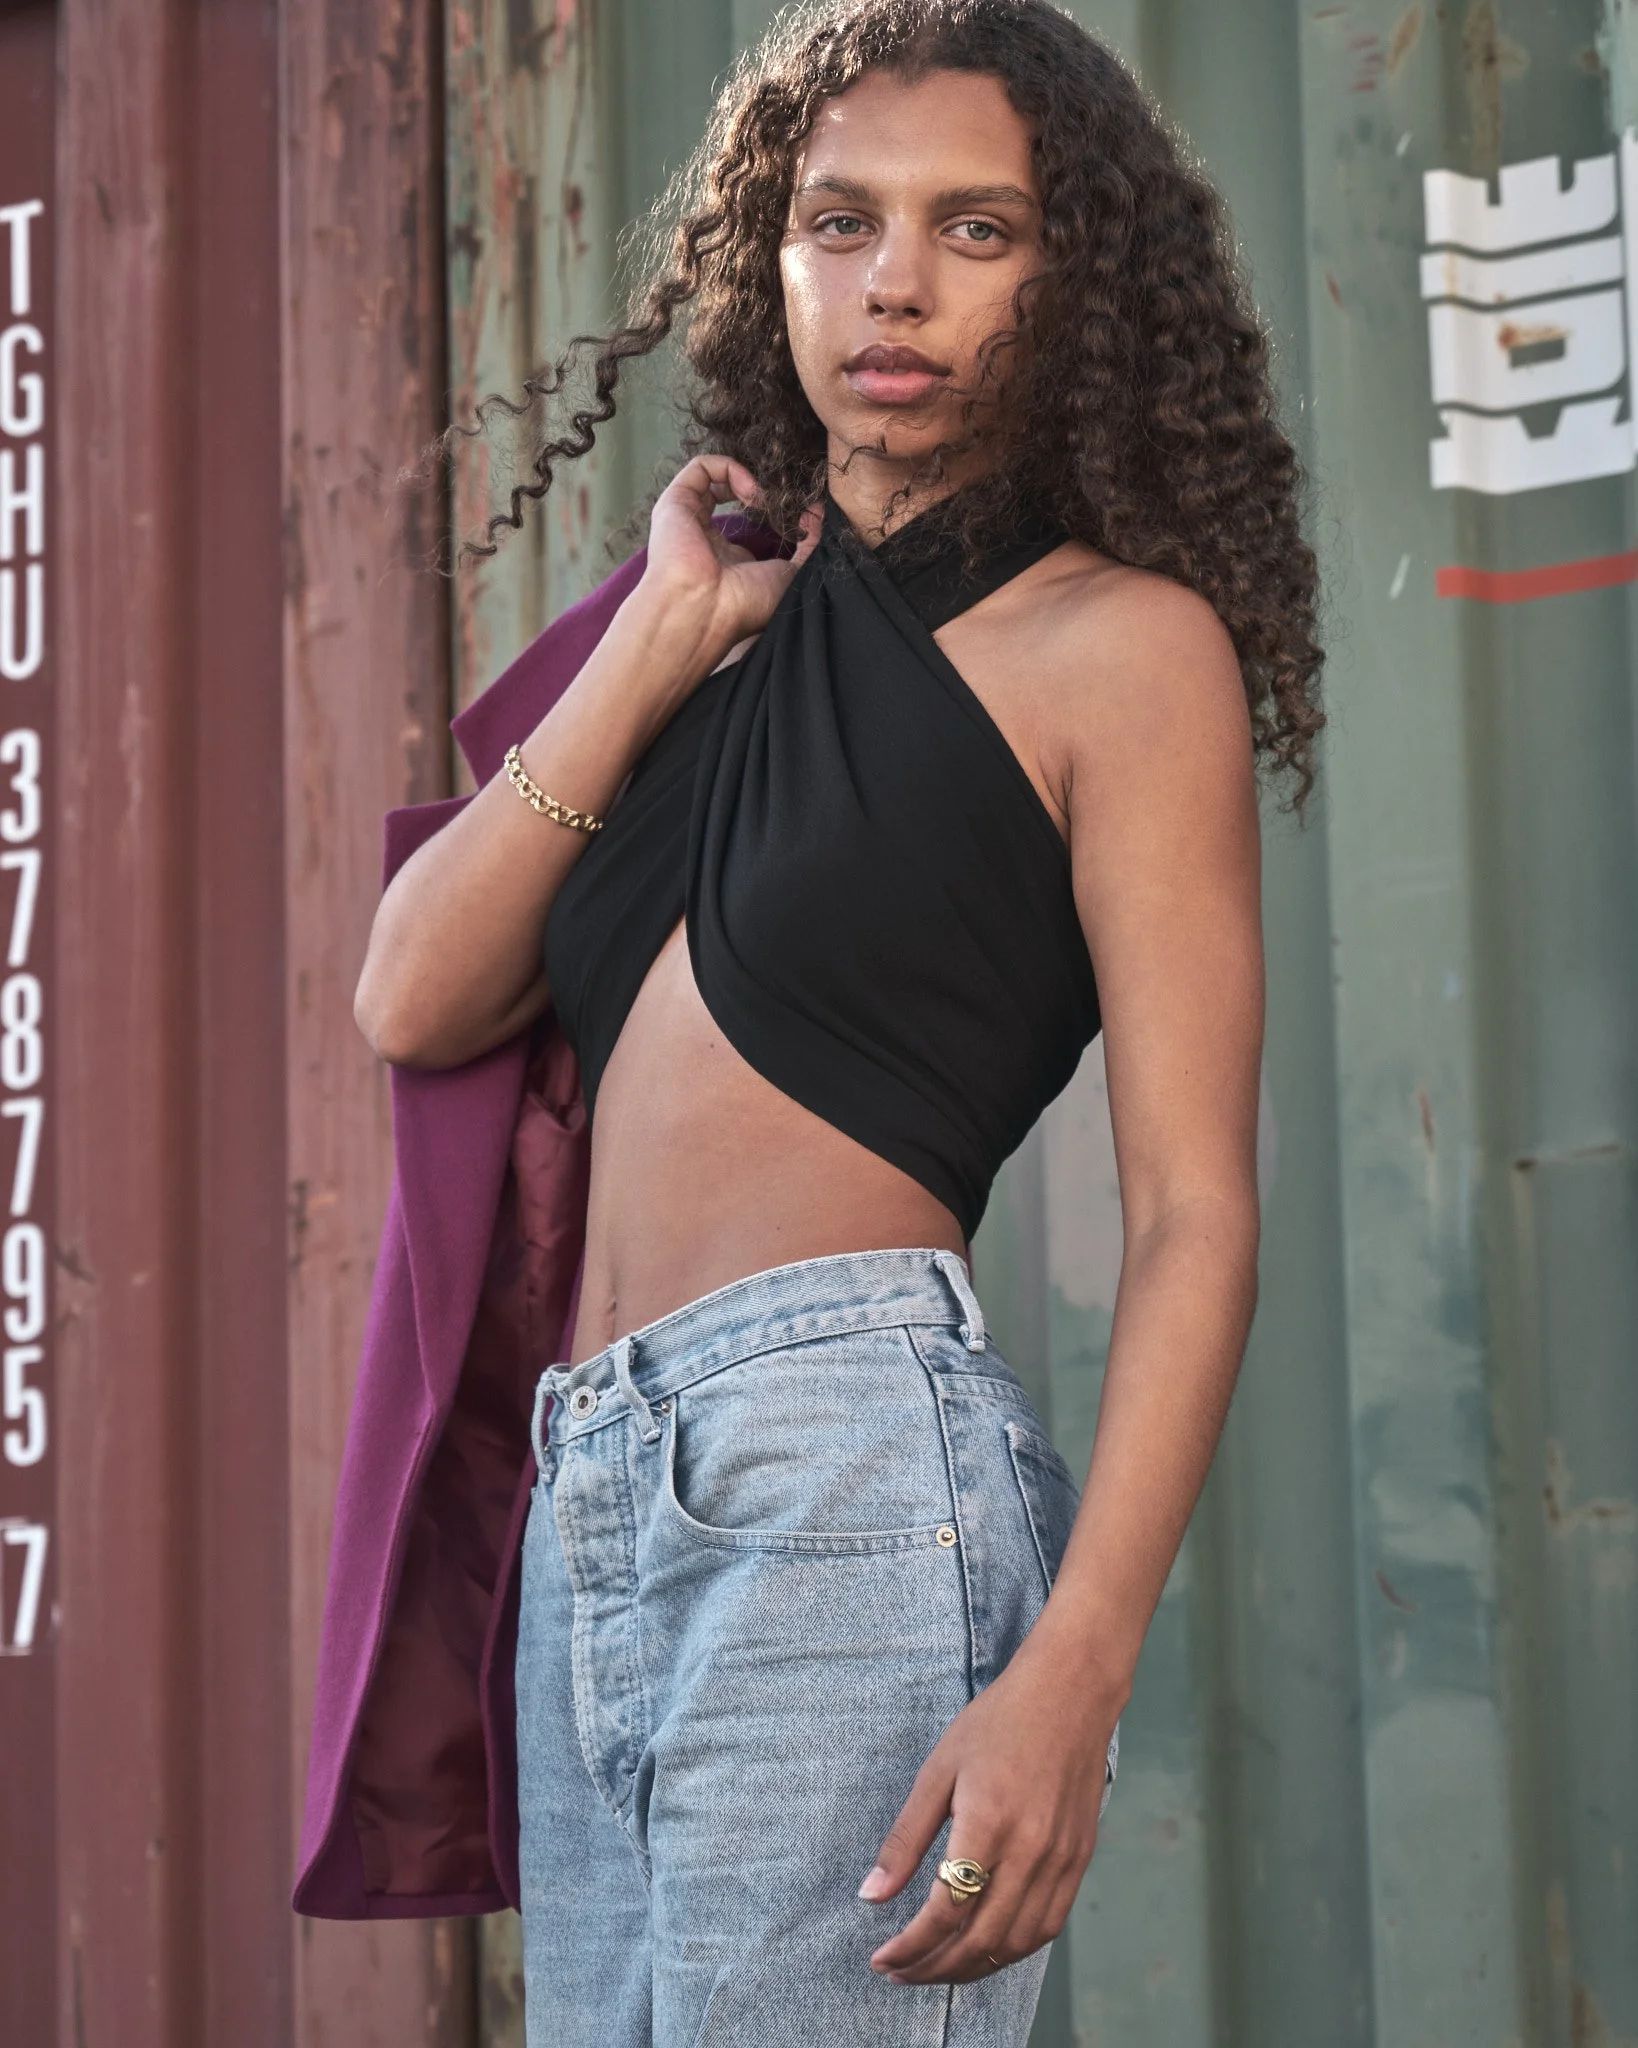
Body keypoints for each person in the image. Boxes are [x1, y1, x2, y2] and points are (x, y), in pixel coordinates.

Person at [349, 1, 1322, 2041]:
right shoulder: (708, 640)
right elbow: (412, 989)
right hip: (598, 1486)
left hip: (843, 1463)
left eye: (978, 229)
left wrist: (1075, 1666)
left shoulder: (1118, 648)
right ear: (763, 262)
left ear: (1075, 279)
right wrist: (658, 637)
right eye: (838, 220)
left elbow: (1194, 1214)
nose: (892, 279)